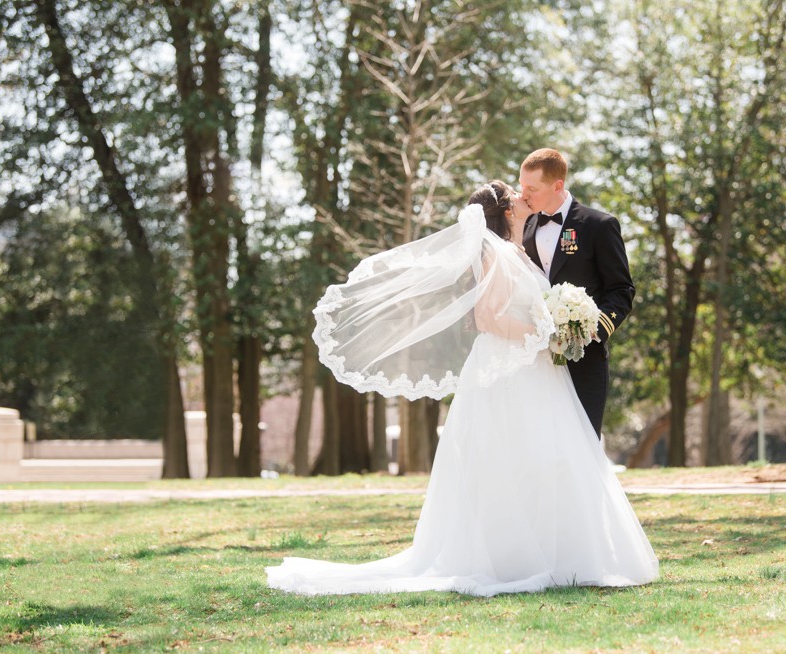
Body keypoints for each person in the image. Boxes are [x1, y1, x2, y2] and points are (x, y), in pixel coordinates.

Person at [266, 180, 658, 597]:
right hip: (510, 369)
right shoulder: (501, 252)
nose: (525, 197)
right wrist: (546, 335)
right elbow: (489, 318)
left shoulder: (512, 247)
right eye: (515, 194)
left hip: (527, 368)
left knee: (538, 459)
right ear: (507, 212)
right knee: (515, 459)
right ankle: (514, 556)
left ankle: (547, 550)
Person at [520, 149, 634, 437]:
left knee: (581, 443)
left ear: (557, 185)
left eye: (531, 188)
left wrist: (594, 328)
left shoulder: (598, 226)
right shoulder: (525, 228)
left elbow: (621, 289)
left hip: (585, 358)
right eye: (521, 185)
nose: (523, 194)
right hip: (537, 361)